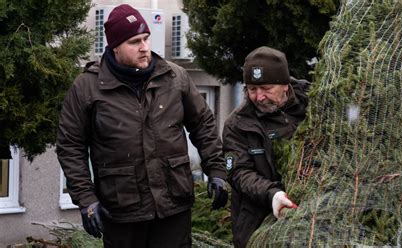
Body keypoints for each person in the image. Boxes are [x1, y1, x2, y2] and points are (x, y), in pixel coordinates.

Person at [56, 4, 228, 247]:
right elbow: (70, 146)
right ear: (115, 46)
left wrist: (217, 171)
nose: (145, 47)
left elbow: (203, 125)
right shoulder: (88, 87)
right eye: (134, 41)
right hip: (123, 210)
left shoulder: (174, 77)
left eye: (146, 38)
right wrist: (86, 199)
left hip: (173, 206)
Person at [222, 46, 310, 247]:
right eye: (252, 89)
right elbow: (238, 172)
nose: (259, 97)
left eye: (267, 88)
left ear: (285, 85)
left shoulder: (313, 103)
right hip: (258, 224)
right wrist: (273, 195)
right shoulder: (237, 124)